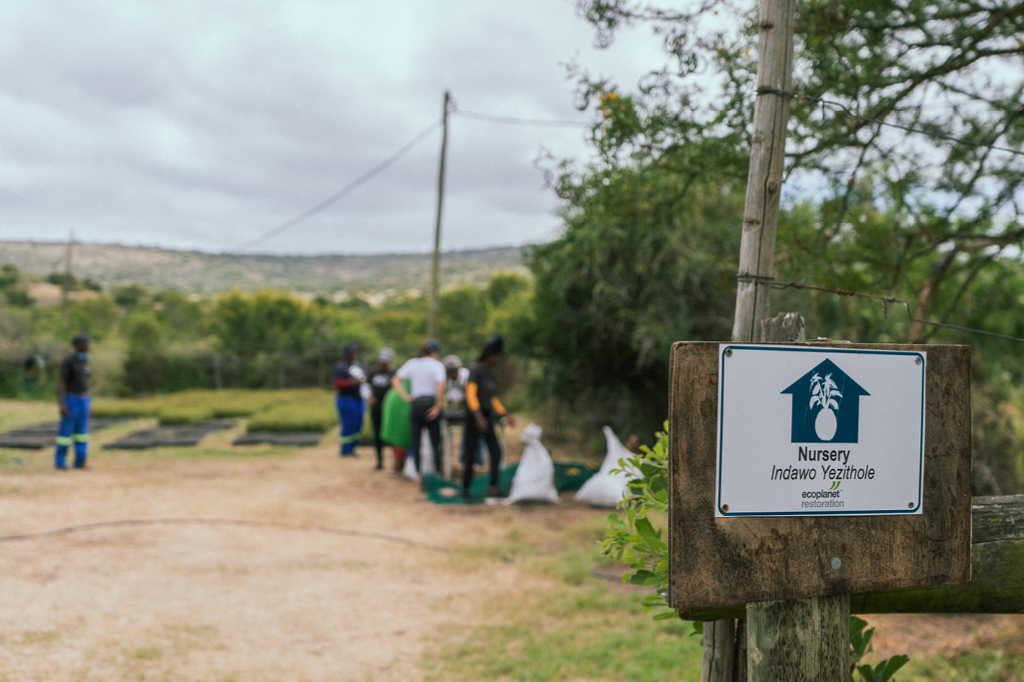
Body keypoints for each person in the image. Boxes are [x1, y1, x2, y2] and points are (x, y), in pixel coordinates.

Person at [462, 335, 515, 499]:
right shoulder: (475, 370)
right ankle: (465, 489)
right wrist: (478, 417)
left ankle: (493, 487)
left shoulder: (490, 373)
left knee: (496, 451)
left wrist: (504, 413)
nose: (497, 360)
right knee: (470, 454)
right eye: (496, 357)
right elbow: (471, 394)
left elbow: (490, 398)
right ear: (489, 355)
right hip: (474, 416)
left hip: (487, 416)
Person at [390, 339, 446, 478]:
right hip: (430, 405)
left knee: (416, 442)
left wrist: (406, 397)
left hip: (416, 405)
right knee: (435, 443)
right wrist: (437, 407)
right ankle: (438, 472)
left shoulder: (412, 363)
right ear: (434, 352)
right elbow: (440, 386)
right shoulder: (437, 365)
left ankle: (418, 475)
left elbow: (395, 381)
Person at [55, 333, 92, 470]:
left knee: (82, 433)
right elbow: (62, 382)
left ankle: (80, 461)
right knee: (65, 432)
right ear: (79, 345)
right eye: (87, 343)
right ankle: (60, 461)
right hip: (71, 399)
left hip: (84, 399)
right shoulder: (69, 361)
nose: (89, 345)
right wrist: (62, 403)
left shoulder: (85, 361)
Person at [332, 342, 366, 457]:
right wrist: (353, 382)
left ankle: (353, 447)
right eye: (352, 352)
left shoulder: (358, 365)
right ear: (347, 353)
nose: (355, 354)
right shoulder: (340, 366)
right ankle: (345, 450)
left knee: (358, 424)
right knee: (348, 424)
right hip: (346, 399)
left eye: (356, 352)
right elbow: (337, 383)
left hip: (358, 399)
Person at [366, 347, 396, 470]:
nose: (382, 365)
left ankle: (396, 462)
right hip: (376, 408)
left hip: (390, 410)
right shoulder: (373, 372)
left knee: (393, 435)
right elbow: (365, 385)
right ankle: (379, 461)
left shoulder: (395, 373)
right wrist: (369, 396)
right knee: (377, 435)